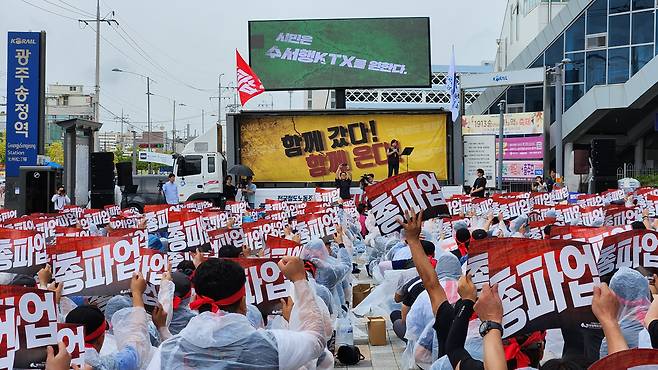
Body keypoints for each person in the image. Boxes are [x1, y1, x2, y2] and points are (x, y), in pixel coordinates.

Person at [158, 256, 327, 369]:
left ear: (195, 297)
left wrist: (163, 329)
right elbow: (317, 340)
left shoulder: (169, 351)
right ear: (243, 303)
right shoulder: (272, 346)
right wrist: (299, 279)